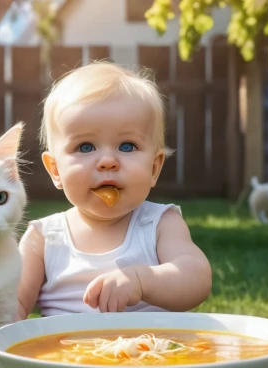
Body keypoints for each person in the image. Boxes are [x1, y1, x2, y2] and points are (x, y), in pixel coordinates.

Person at [17, 62, 212, 319]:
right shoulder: (43, 238)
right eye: (86, 147)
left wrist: (142, 281)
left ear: (154, 168)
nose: (107, 161)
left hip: (147, 355)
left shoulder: (160, 224)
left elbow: (196, 278)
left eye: (127, 146)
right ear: (55, 170)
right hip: (66, 357)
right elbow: (10, 308)